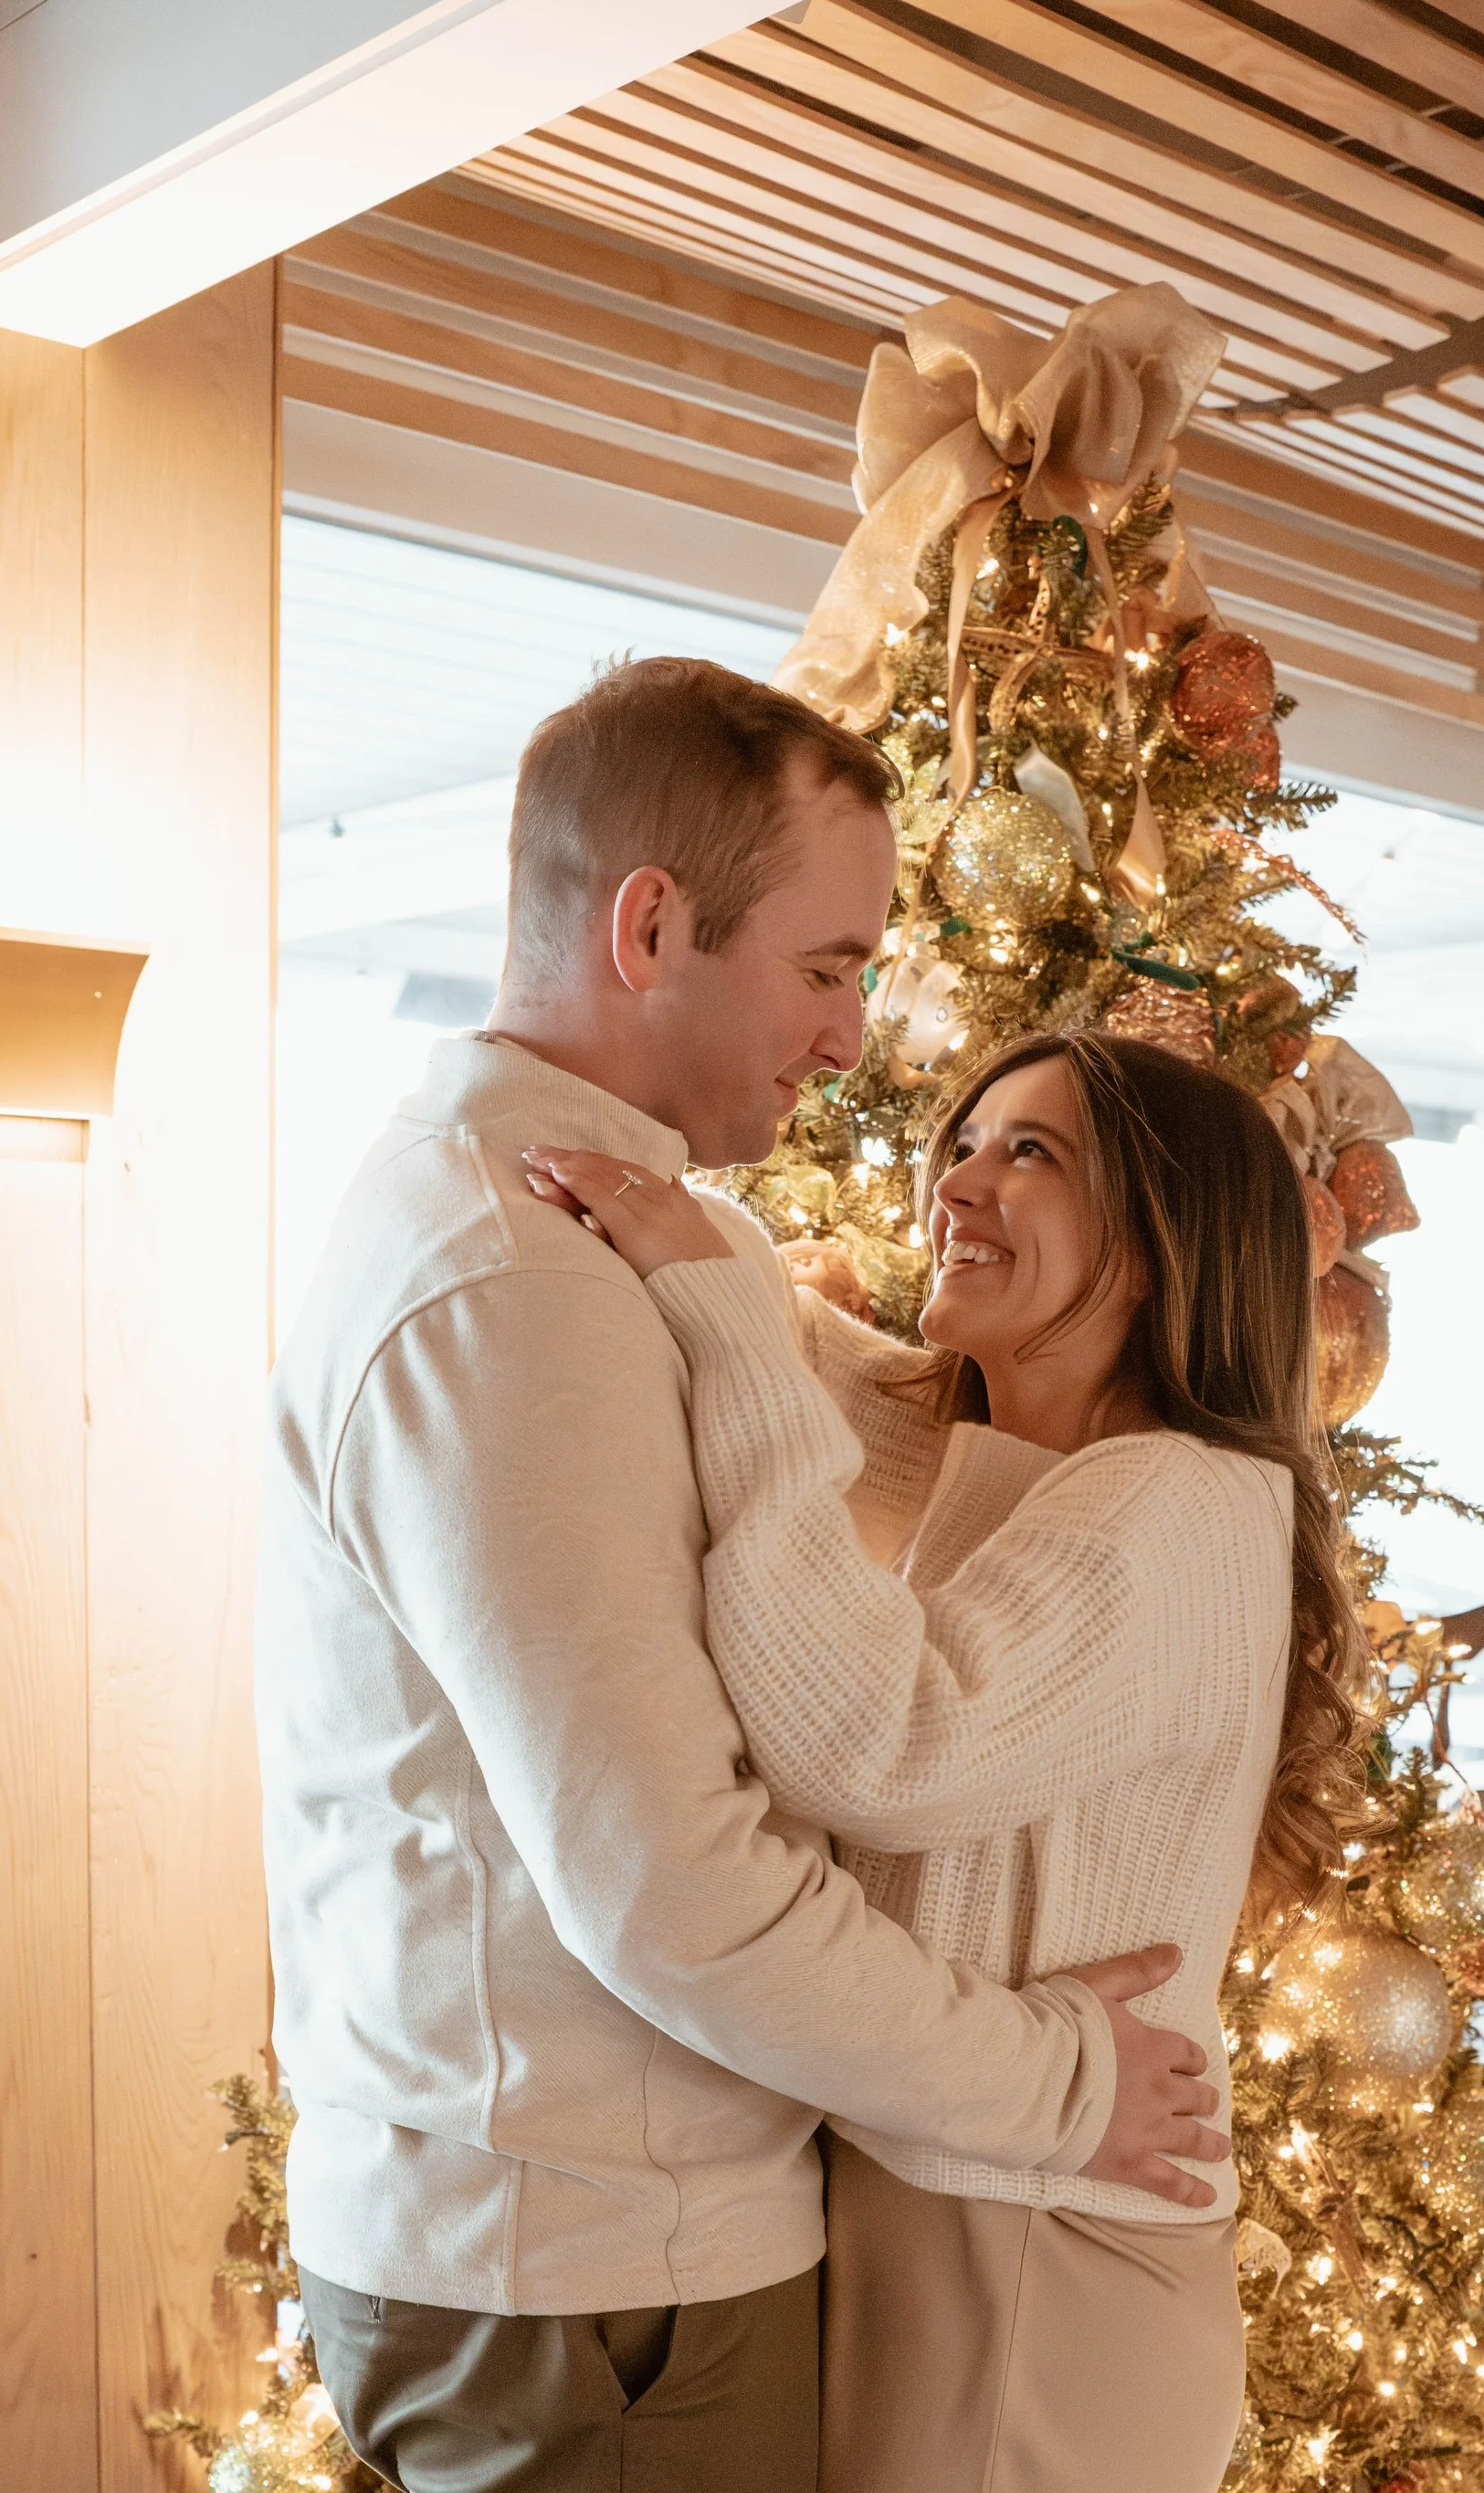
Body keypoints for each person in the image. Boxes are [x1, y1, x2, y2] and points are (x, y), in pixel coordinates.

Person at [258, 660, 1227, 2493]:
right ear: (648, 925)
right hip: (593, 2280)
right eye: (826, 965)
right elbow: (667, 1884)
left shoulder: (603, 1236)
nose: (854, 1037)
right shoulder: (521, 1287)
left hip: (603, 2249)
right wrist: (1063, 2084)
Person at [532, 1026, 1363, 2493]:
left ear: (1163, 1246)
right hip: (989, 2200)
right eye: (962, 1146)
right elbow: (862, 1402)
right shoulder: (1061, 1461)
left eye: (1030, 1154)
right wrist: (726, 1263)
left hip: (1041, 2260)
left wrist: (722, 1308)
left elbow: (878, 1745)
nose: (957, 1185)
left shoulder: (1166, 1507)